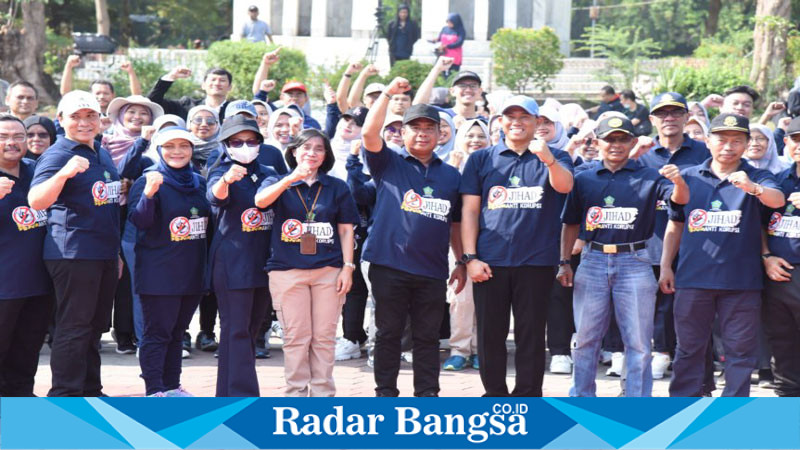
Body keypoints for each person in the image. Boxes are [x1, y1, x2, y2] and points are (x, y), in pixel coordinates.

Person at [558, 116, 689, 397]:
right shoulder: (583, 179)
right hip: (592, 260)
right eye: (609, 139)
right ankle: (582, 398)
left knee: (639, 342)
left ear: (632, 142)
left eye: (622, 139)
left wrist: (678, 182)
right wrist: (564, 261)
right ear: (597, 143)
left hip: (635, 261)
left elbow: (679, 202)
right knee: (585, 339)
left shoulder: (650, 176)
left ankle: (636, 403)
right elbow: (569, 223)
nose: (616, 145)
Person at [661, 113, 785, 397]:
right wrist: (667, 265)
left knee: (740, 353)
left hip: (741, 283)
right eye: (721, 139)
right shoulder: (689, 177)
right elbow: (676, 223)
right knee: (689, 349)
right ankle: (682, 409)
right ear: (707, 141)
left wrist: (752, 188)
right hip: (693, 280)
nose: (728, 146)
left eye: (736, 141)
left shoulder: (757, 175)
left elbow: (777, 200)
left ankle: (731, 416)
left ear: (746, 144)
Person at [460, 96, 573, 395]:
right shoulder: (481, 159)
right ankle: (494, 395)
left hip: (536, 262)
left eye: (525, 117)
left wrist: (547, 158)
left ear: (538, 122)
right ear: (500, 122)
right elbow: (470, 210)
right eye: (510, 116)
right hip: (490, 261)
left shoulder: (557, 155)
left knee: (532, 336)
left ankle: (528, 397)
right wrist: (469, 257)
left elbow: (565, 186)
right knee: (490, 336)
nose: (517, 122)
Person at [361, 77, 466, 397]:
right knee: (389, 333)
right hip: (388, 264)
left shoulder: (450, 175)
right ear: (402, 132)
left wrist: (461, 261)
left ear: (440, 133)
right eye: (414, 127)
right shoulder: (388, 162)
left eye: (429, 128)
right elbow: (368, 133)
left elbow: (455, 223)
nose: (422, 133)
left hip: (431, 269)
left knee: (427, 337)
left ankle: (427, 394)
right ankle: (385, 394)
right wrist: (389, 94)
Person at [28, 91, 121, 397]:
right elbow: (36, 200)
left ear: (100, 119)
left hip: (103, 253)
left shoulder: (100, 151)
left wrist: (116, 253)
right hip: (73, 253)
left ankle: (90, 389)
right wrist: (64, 173)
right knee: (74, 327)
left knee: (95, 326)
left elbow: (107, 205)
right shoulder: (58, 154)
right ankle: (66, 396)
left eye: (90, 116)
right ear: (61, 120)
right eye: (75, 117)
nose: (84, 123)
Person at [255, 128, 359, 396]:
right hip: (287, 271)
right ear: (294, 152)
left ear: (326, 155)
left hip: (329, 271)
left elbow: (346, 230)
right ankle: (296, 395)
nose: (312, 153)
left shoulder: (337, 186)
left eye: (318, 148)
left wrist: (348, 268)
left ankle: (323, 396)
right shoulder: (276, 181)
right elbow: (260, 202)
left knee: (324, 338)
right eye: (305, 147)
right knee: (296, 338)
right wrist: (292, 178)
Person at [128, 126, 209, 397]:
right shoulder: (150, 180)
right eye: (169, 146)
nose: (177, 152)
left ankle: (172, 386)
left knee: (177, 332)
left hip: (191, 270)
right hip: (159, 272)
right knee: (156, 334)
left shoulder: (199, 182)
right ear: (159, 151)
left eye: (183, 146)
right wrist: (149, 195)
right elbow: (139, 221)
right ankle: (155, 389)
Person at [636, 92, 710, 381]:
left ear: (686, 118)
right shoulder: (642, 156)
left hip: (695, 248)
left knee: (695, 319)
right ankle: (636, 381)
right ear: (652, 119)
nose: (669, 118)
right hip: (647, 246)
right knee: (643, 320)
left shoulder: (704, 153)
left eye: (675, 112)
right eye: (662, 113)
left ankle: (701, 384)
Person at [207, 116, 278, 396]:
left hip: (262, 262)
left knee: (250, 329)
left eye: (251, 141)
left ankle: (226, 393)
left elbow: (267, 194)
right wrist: (226, 180)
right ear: (226, 145)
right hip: (232, 262)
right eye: (237, 142)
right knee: (235, 329)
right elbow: (214, 196)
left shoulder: (269, 171)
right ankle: (243, 396)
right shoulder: (219, 171)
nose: (245, 146)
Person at [0, 115, 53, 396]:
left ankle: (22, 406)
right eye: (3, 136)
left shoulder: (38, 172)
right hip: (4, 286)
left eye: (19, 136)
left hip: (39, 282)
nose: (12, 142)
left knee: (27, 350)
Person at [441, 119, 489, 372]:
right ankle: (460, 350)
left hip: (491, 245)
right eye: (470, 135)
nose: (475, 140)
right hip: (458, 244)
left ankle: (483, 349)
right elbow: (452, 216)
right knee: (461, 298)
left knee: (488, 300)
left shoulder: (495, 167)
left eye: (481, 136)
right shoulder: (452, 170)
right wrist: (460, 257)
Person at [762, 116, 800, 397]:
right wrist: (766, 256)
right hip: (780, 274)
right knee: (783, 346)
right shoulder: (777, 182)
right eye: (796, 138)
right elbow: (760, 224)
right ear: (786, 142)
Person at [60, 56, 142, 114]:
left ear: (113, 95)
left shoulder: (119, 112)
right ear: (90, 95)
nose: (102, 97)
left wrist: (131, 72)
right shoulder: (83, 112)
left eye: (106, 93)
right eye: (98, 93)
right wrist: (69, 66)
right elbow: (66, 94)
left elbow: (137, 96)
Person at [148, 67, 233, 120]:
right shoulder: (187, 105)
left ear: (230, 87)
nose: (217, 83)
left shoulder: (235, 110)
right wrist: (171, 76)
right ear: (203, 85)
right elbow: (153, 101)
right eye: (213, 80)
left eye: (222, 80)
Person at [431, 13, 465, 78]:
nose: (449, 24)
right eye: (448, 22)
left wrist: (447, 46)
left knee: (452, 75)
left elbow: (459, 42)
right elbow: (440, 38)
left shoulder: (460, 30)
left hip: (454, 56)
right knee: (441, 74)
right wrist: (435, 40)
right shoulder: (445, 29)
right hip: (443, 54)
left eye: (451, 22)